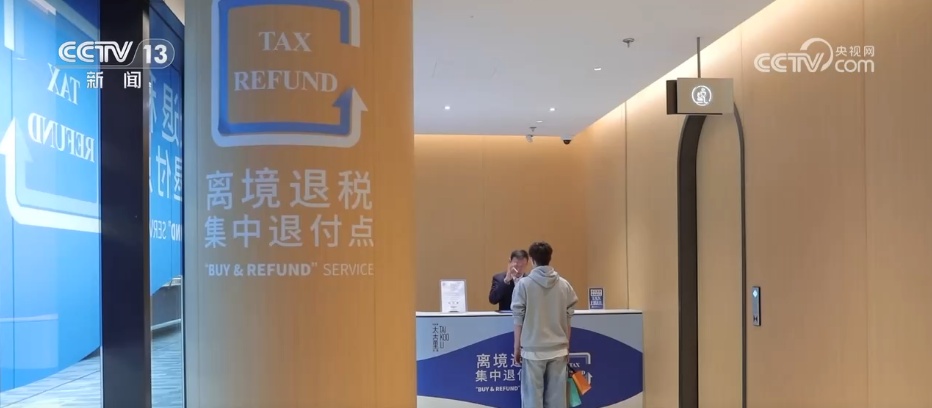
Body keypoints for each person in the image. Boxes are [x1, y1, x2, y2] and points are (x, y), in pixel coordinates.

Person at [511, 241, 577, 408]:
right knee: (557, 400)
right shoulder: (564, 285)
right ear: (549, 258)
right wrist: (567, 346)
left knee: (532, 399)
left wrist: (517, 347)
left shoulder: (523, 285)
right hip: (558, 350)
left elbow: (518, 318)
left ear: (532, 260)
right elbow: (569, 317)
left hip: (532, 350)